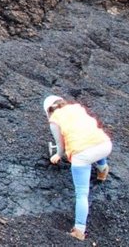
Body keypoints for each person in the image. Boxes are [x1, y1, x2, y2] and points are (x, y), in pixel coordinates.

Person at [43, 95, 112, 241]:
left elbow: (60, 145)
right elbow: (88, 130)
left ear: (48, 111)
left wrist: (58, 155)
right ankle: (102, 170)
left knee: (82, 193)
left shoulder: (54, 120)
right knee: (96, 147)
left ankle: (79, 230)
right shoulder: (77, 108)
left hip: (82, 155)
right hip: (105, 144)